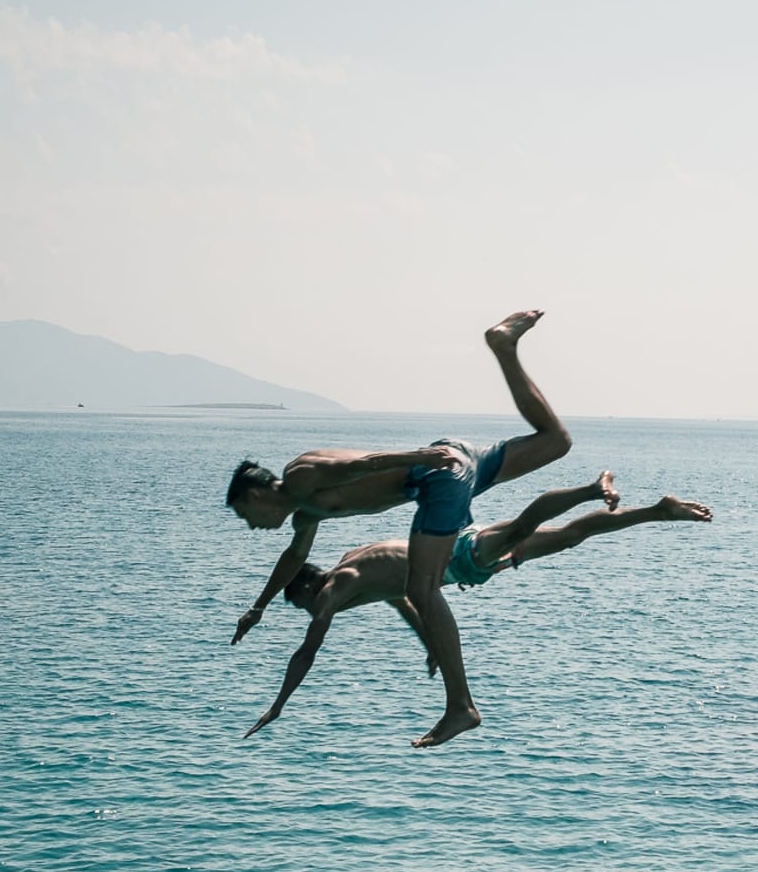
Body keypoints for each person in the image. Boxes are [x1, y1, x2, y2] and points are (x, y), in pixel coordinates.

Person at [226, 309, 569, 747]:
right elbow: (295, 557)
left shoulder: (300, 476)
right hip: (454, 461)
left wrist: (418, 457)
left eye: (245, 516)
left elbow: (361, 464)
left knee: (421, 588)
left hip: (434, 473)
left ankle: (461, 707)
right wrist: (259, 607)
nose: (252, 527)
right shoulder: (306, 513)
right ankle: (505, 347)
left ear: (255, 495)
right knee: (555, 441)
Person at [241, 476, 713, 743]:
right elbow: (405, 597)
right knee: (570, 536)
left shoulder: (332, 590)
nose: (312, 613)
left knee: (526, 524)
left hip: (462, 558)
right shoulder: (355, 565)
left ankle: (592, 488)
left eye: (304, 605)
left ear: (309, 586)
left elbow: (307, 652)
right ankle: (657, 510)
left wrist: (278, 705)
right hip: (460, 547)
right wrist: (430, 644)